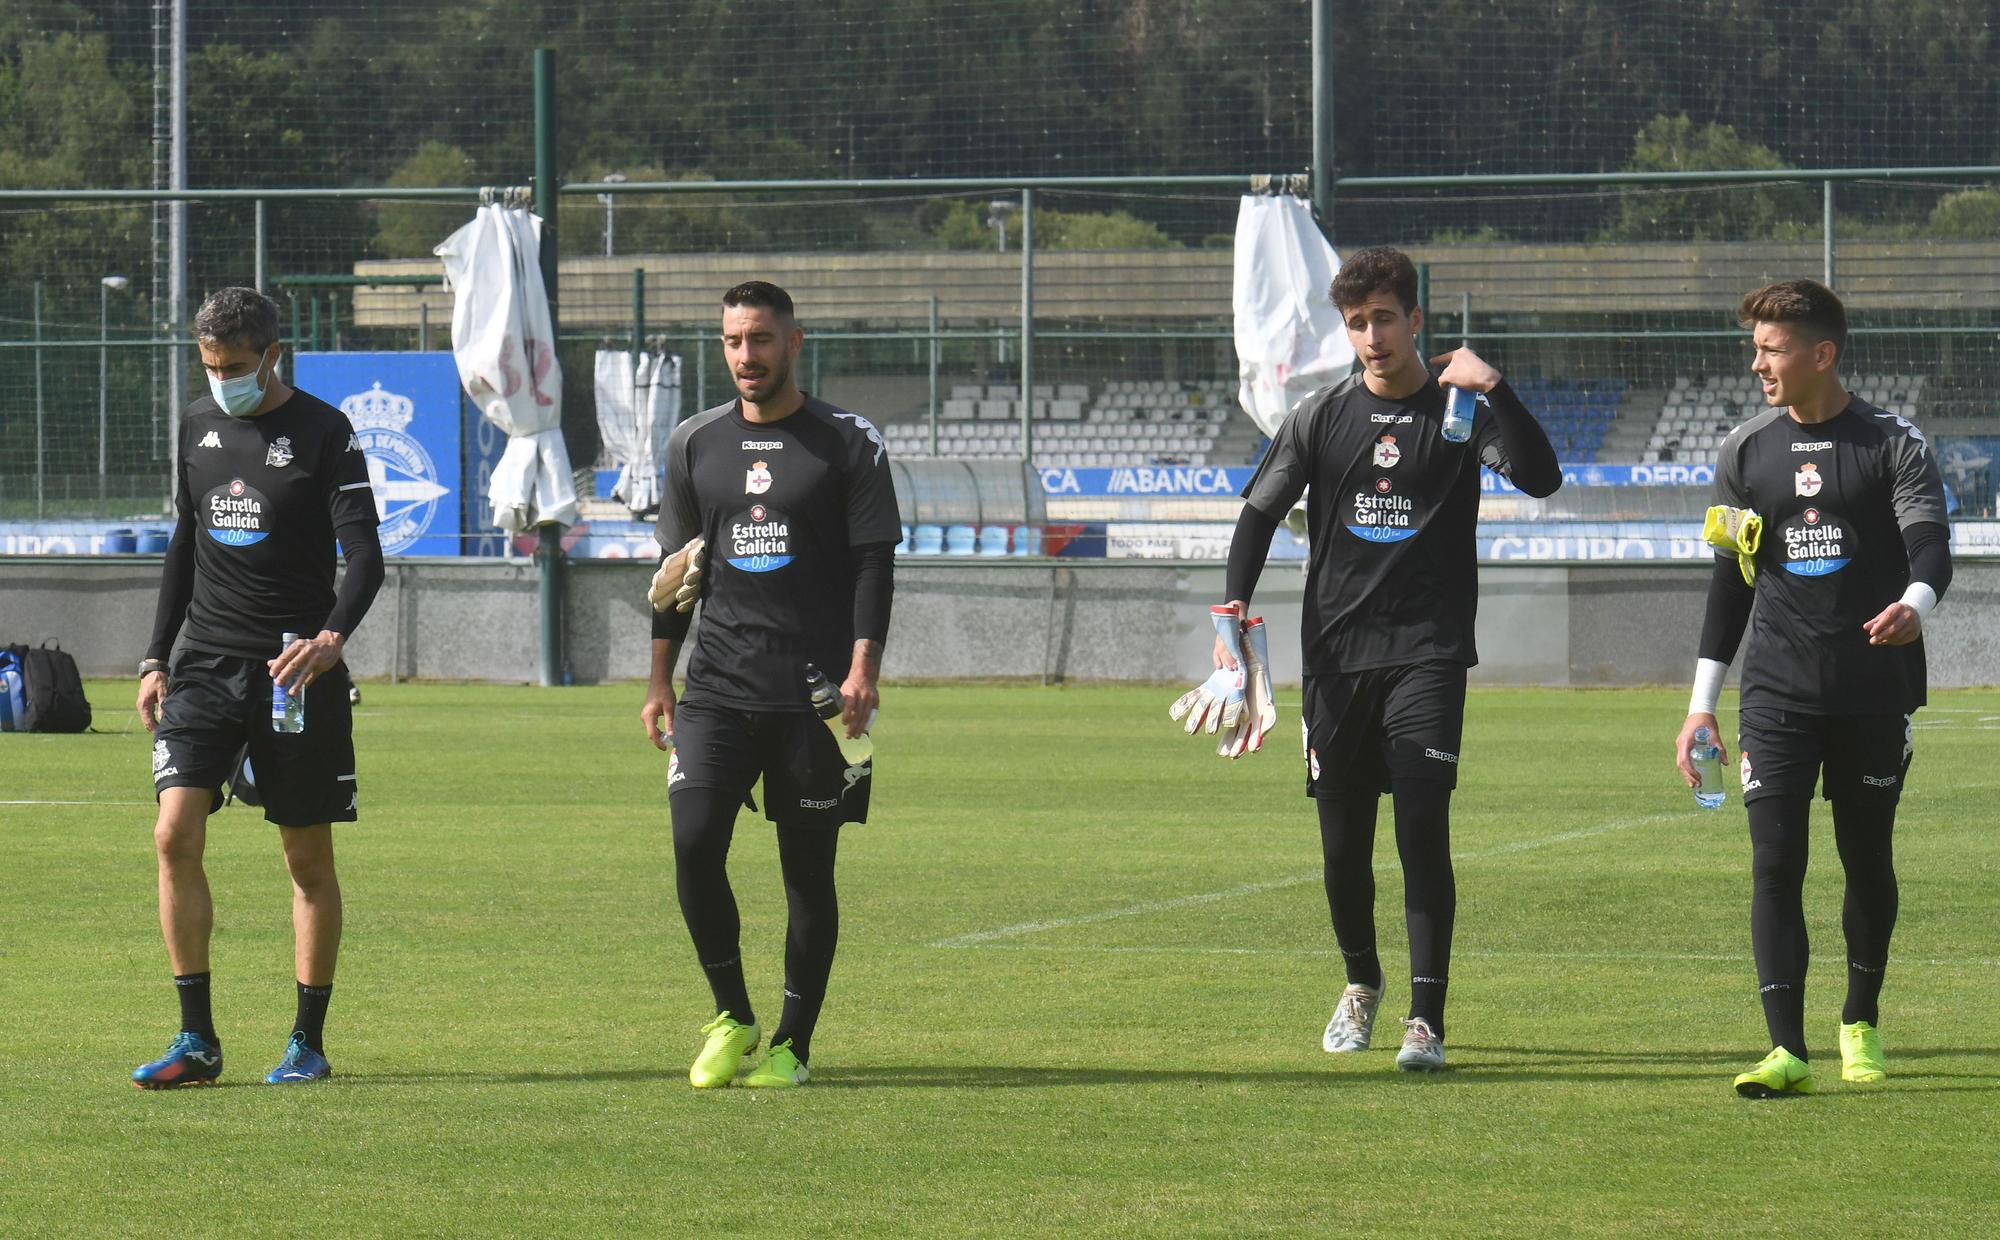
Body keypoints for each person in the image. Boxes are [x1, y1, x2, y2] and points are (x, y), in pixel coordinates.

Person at [1218, 246, 1559, 1071]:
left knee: (1421, 830)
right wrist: (1232, 606)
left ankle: (1425, 1019)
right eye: (1356, 323)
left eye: (1384, 319)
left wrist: (1494, 386)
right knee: (1342, 846)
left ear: (1415, 321)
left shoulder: (1461, 413)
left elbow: (1542, 479)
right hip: (1335, 658)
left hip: (1428, 655)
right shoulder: (1319, 417)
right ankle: (1361, 985)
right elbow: (1260, 513)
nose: (1372, 336)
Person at [1673, 279, 1952, 1098]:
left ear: (1821, 354)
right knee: (1775, 861)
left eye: (1772, 347)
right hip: (1776, 694)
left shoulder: (1892, 442)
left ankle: (1859, 1021)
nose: (1756, 361)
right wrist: (1700, 704)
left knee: (1866, 861)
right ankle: (1785, 1048)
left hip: (1873, 690)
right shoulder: (1744, 450)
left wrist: (1914, 603)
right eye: (1754, 346)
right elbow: (1729, 584)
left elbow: (1932, 547)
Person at [642, 281, 899, 1089]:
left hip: (812, 696)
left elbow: (873, 564)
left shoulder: (847, 442)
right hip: (715, 686)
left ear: (793, 342)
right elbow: (676, 578)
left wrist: (863, 668)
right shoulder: (693, 444)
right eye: (731, 342)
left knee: (806, 874)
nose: (745, 357)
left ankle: (792, 1043)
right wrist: (660, 679)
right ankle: (732, 1013)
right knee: (692, 843)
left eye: (759, 340)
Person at [133, 287, 383, 1087]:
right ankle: (197, 1040)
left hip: (292, 672)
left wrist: (329, 640)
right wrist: (154, 656)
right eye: (209, 366)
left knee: (304, 853)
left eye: (235, 367)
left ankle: (307, 1042)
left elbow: (366, 555)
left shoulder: (324, 431)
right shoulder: (196, 426)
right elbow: (185, 540)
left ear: (272, 355)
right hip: (204, 663)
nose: (221, 380)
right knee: (174, 834)